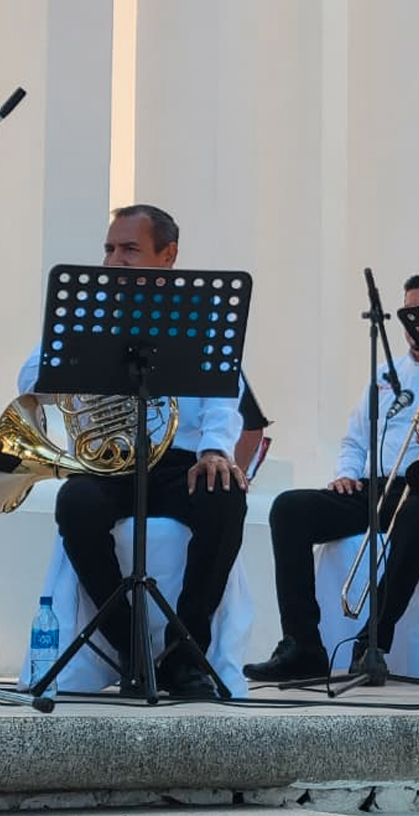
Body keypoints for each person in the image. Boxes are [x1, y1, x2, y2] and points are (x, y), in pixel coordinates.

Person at [16, 204, 248, 699]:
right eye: (109, 248)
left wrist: (214, 450)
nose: (113, 259)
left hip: (181, 460)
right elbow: (32, 379)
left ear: (168, 256)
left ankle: (189, 653)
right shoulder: (88, 310)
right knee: (75, 505)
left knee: (224, 498)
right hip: (114, 462)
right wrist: (81, 349)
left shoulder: (200, 317)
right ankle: (133, 649)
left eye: (129, 249)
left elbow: (225, 394)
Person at [244, 274, 419, 681]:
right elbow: (355, 439)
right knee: (290, 509)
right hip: (378, 486)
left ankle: (374, 641)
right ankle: (302, 646)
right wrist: (345, 474)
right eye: (408, 314)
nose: (414, 325)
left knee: (415, 514)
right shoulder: (385, 373)